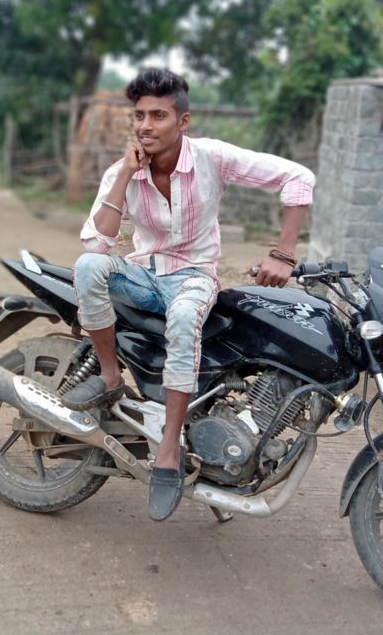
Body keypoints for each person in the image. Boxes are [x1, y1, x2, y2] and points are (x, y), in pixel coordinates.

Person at [61, 68, 315, 521]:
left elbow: (297, 177)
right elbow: (97, 243)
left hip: (194, 277)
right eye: (139, 115)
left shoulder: (212, 158)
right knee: (88, 267)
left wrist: (284, 253)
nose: (145, 125)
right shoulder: (123, 171)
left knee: (183, 319)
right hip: (143, 275)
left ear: (183, 121)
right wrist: (125, 173)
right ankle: (110, 377)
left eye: (158, 115)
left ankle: (168, 449)